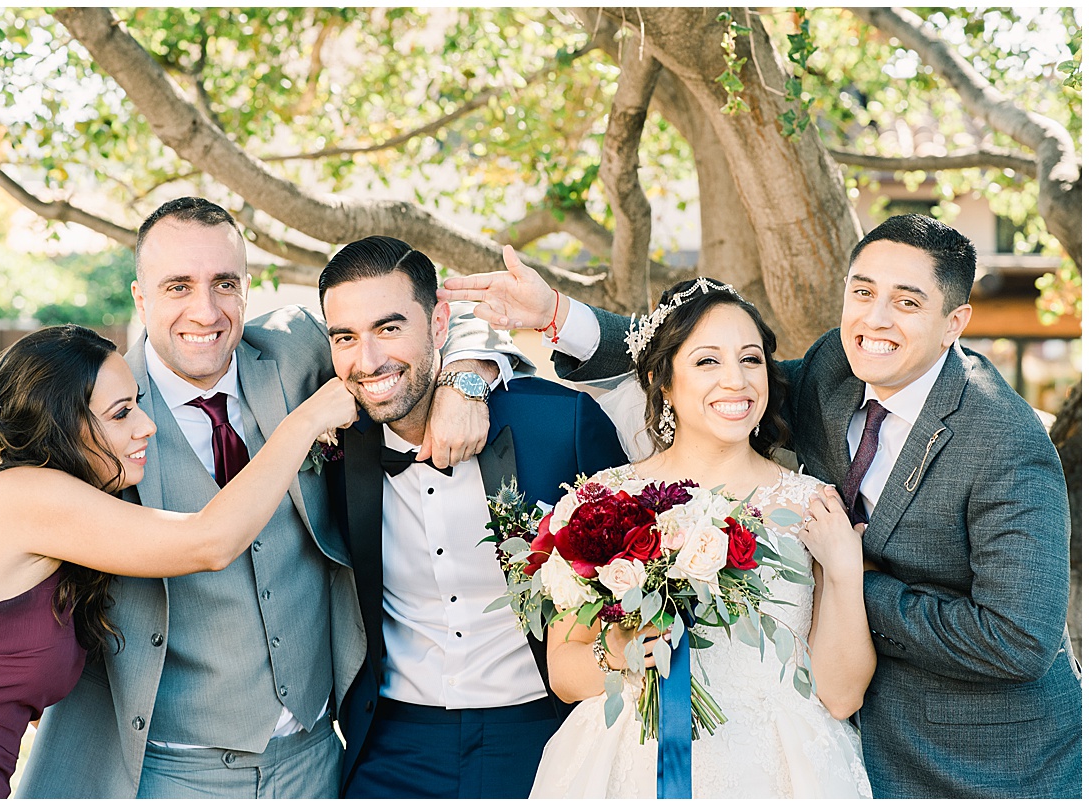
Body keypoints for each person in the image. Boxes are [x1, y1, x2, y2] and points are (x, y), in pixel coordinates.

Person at [441, 215, 1082, 798]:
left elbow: (1018, 640)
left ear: (955, 322)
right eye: (862, 291)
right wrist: (555, 313)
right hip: (650, 757)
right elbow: (702, 359)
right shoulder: (836, 367)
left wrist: (843, 576)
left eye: (907, 302)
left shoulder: (1004, 443)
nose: (876, 319)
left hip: (982, 758)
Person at [0, 198, 518, 798]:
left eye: (225, 283)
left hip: (313, 760)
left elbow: (430, 309)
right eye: (177, 287)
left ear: (249, 288)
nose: (206, 309)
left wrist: (467, 379)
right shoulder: (99, 406)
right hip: (164, 772)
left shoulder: (298, 349)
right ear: (141, 298)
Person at [0, 324, 357, 798]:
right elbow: (210, 542)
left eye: (137, 402)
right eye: (120, 414)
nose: (148, 425)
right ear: (60, 427)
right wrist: (304, 422)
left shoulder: (42, 499)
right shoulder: (25, 497)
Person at [526, 279, 874, 797]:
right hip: (631, 762)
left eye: (751, 359)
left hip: (781, 768)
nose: (736, 381)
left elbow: (842, 697)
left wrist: (845, 572)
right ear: (661, 380)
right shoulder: (601, 503)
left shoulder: (813, 505)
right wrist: (619, 652)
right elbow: (563, 672)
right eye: (708, 361)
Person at [309, 236, 627, 798]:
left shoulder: (559, 426)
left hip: (543, 731)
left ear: (438, 325)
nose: (368, 360)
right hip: (392, 744)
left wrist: (472, 370)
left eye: (389, 328)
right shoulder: (332, 440)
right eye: (345, 338)